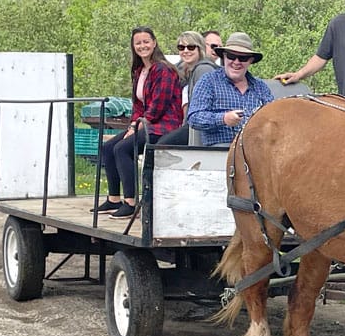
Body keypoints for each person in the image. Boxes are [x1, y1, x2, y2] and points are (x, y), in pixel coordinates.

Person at [91, 26, 183, 219]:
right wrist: (133, 125)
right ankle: (113, 199)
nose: (143, 46)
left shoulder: (163, 70)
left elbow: (158, 105)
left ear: (154, 43)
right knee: (108, 147)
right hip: (145, 123)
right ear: (133, 46)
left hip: (164, 126)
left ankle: (131, 203)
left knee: (123, 149)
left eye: (146, 42)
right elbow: (138, 105)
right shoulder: (140, 70)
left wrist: (138, 125)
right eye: (138, 43)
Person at [187, 32, 274, 146]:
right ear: (224, 56)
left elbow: (274, 119)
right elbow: (194, 118)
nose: (236, 62)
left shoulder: (261, 87)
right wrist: (223, 119)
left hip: (255, 149)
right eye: (231, 56)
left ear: (250, 60)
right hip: (220, 150)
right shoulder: (208, 81)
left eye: (243, 58)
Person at [159, 31, 217, 146]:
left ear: (200, 48)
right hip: (187, 125)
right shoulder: (185, 71)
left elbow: (204, 105)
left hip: (199, 128)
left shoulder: (203, 69)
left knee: (161, 147)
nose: (185, 51)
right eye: (181, 47)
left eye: (191, 47)